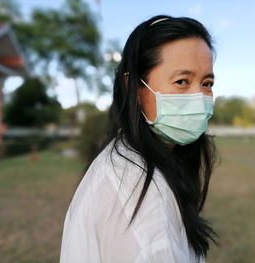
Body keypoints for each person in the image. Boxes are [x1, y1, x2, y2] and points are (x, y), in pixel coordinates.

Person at [59, 14, 219, 263]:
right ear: (134, 87)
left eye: (207, 83)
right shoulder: (140, 197)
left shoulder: (133, 159)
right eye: (181, 81)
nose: (199, 97)